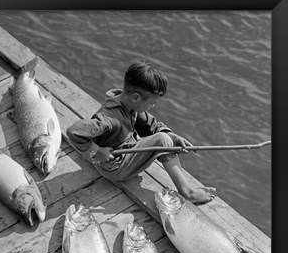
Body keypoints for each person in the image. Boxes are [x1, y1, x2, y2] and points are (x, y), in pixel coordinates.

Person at [67, 61, 216, 204]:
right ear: (136, 97)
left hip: (125, 151)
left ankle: (181, 176)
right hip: (113, 167)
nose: (152, 107)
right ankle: (188, 192)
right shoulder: (110, 118)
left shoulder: (128, 104)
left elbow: (152, 124)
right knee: (162, 141)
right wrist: (96, 151)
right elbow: (74, 131)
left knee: (165, 137)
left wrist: (173, 137)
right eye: (151, 103)